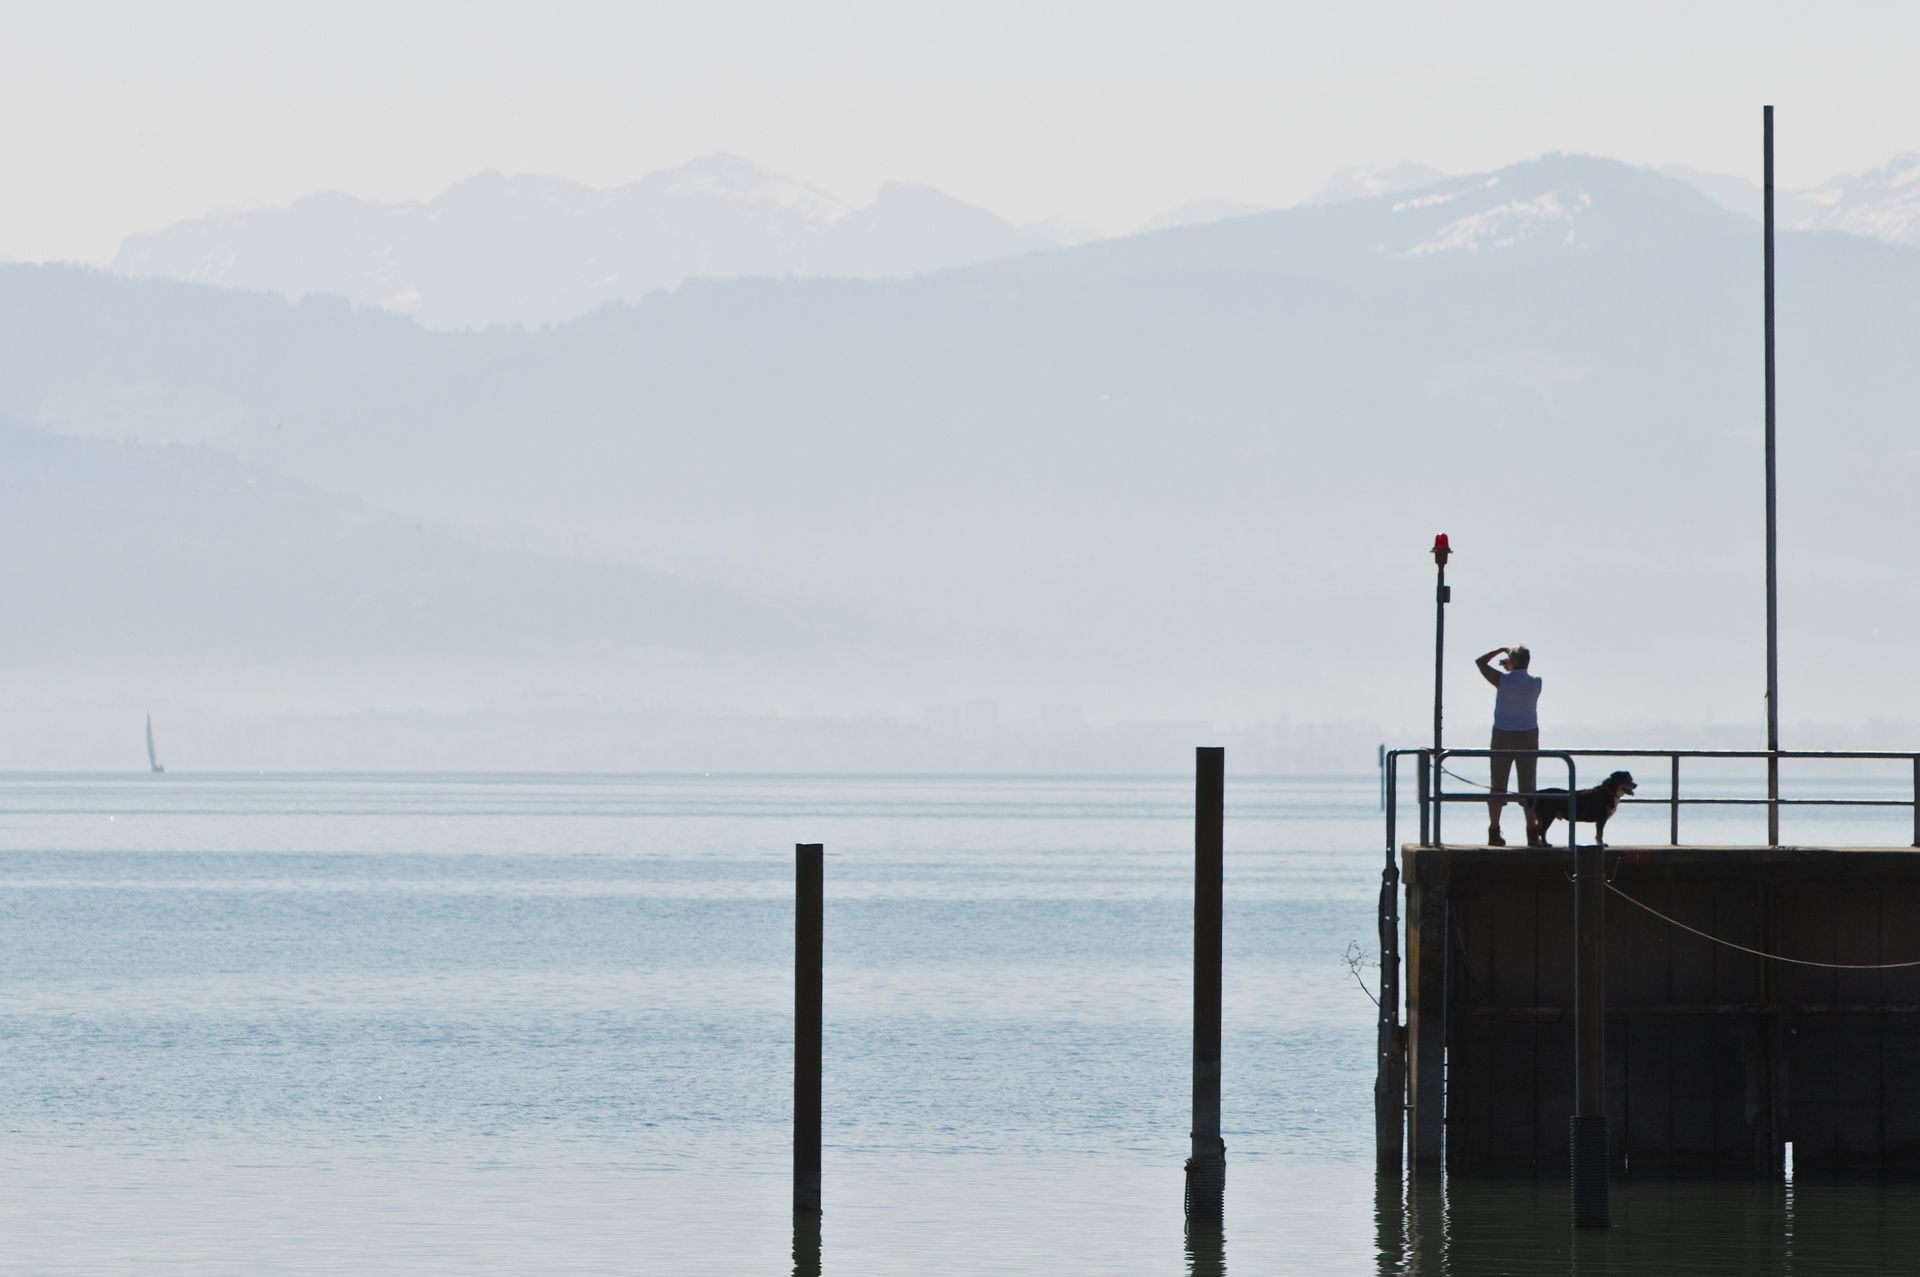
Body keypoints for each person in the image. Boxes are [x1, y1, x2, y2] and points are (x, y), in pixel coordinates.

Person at [1475, 644, 1541, 846]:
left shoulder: (1502, 680)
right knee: (1528, 784)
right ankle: (1532, 832)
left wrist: (1500, 650)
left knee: (1498, 783)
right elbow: (1519, 678)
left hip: (1502, 733)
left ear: (1511, 661)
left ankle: (1494, 830)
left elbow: (1480, 662)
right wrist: (1512, 665)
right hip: (1528, 733)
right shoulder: (1536, 683)